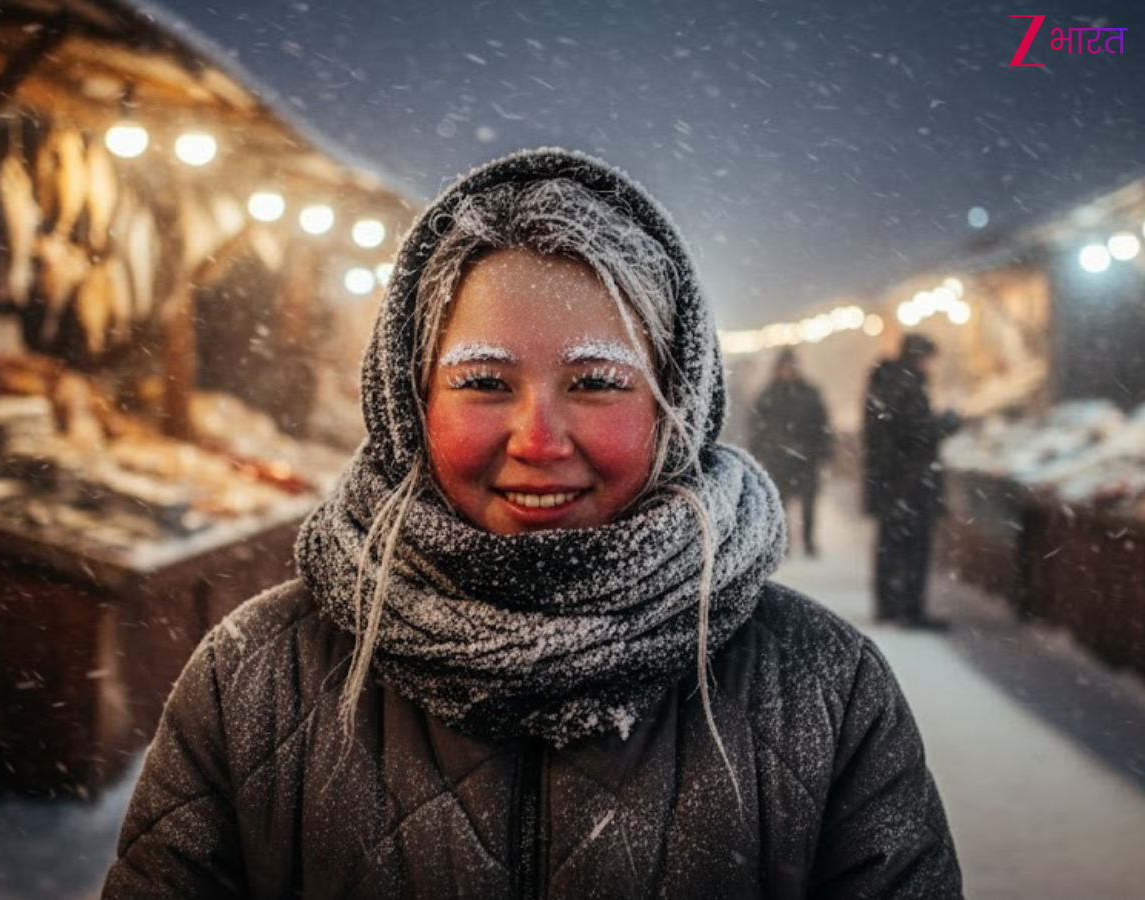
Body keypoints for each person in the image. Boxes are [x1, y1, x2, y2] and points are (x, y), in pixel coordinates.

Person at [103, 149, 962, 898]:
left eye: (596, 381)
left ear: (676, 408)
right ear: (411, 400)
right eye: (483, 382)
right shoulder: (255, 680)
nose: (539, 441)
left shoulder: (821, 689)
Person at [862, 333, 961, 629]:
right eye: (928, 359)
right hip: (910, 482)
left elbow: (891, 431)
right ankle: (910, 610)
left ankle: (888, 605)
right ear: (919, 357)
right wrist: (947, 423)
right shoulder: (907, 384)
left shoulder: (886, 381)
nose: (930, 366)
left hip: (891, 480)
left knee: (891, 544)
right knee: (914, 547)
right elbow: (915, 432)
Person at [749, 347, 832, 556]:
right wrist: (763, 450)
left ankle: (808, 541)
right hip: (779, 457)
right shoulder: (768, 395)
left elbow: (821, 423)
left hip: (805, 456)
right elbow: (758, 426)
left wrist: (822, 450)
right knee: (781, 502)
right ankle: (784, 543)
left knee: (808, 503)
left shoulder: (809, 393)